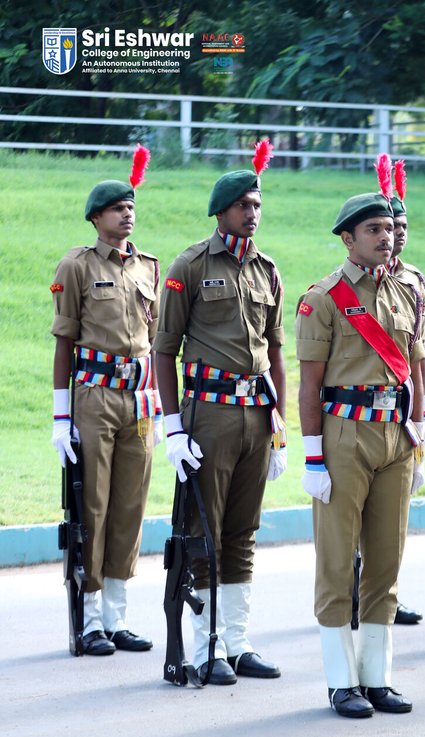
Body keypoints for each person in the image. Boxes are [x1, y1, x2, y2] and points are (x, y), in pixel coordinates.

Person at [154, 142, 287, 684]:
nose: (252, 214)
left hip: (256, 414)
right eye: (243, 206)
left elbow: (276, 350)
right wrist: (172, 425)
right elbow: (164, 350)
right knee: (203, 530)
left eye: (257, 205)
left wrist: (280, 424)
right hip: (206, 413)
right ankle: (206, 645)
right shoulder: (190, 264)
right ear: (221, 212)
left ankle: (238, 641)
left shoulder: (267, 268)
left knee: (243, 530)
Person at [296, 189, 425, 717]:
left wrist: (417, 435)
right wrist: (312, 456)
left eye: (388, 229)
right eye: (372, 230)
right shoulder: (323, 298)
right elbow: (308, 385)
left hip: (394, 436)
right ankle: (339, 679)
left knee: (386, 560)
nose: (385, 237)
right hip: (344, 434)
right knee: (336, 559)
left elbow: (414, 367)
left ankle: (377, 677)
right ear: (348, 239)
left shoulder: (405, 291)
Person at [50, 146, 159, 656]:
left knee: (130, 506)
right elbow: (64, 342)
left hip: (138, 398)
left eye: (131, 206)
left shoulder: (149, 268)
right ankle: (90, 618)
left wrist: (160, 405)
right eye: (118, 208)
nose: (127, 214)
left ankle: (116, 616)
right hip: (93, 395)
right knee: (91, 503)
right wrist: (60, 414)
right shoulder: (77, 266)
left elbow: (156, 340)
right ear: (97, 218)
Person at [385, 157, 425, 628]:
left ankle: (388, 590)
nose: (397, 234)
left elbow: (417, 356)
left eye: (403, 226)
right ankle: (358, 584)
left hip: (404, 412)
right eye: (390, 226)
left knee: (397, 512)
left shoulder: (414, 279)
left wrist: (420, 416)